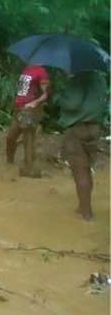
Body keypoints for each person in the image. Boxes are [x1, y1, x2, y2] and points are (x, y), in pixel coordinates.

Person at [58, 71, 107, 221]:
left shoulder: (77, 79)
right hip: (94, 128)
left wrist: (60, 96)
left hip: (77, 128)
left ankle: (86, 213)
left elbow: (72, 104)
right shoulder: (100, 79)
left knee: (80, 172)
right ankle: (83, 206)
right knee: (86, 169)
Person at [5, 64, 49, 177]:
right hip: (19, 108)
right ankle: (10, 160)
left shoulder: (41, 72)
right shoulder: (26, 69)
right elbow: (22, 90)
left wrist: (35, 103)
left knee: (28, 137)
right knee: (11, 136)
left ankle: (29, 167)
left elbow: (46, 94)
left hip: (29, 110)